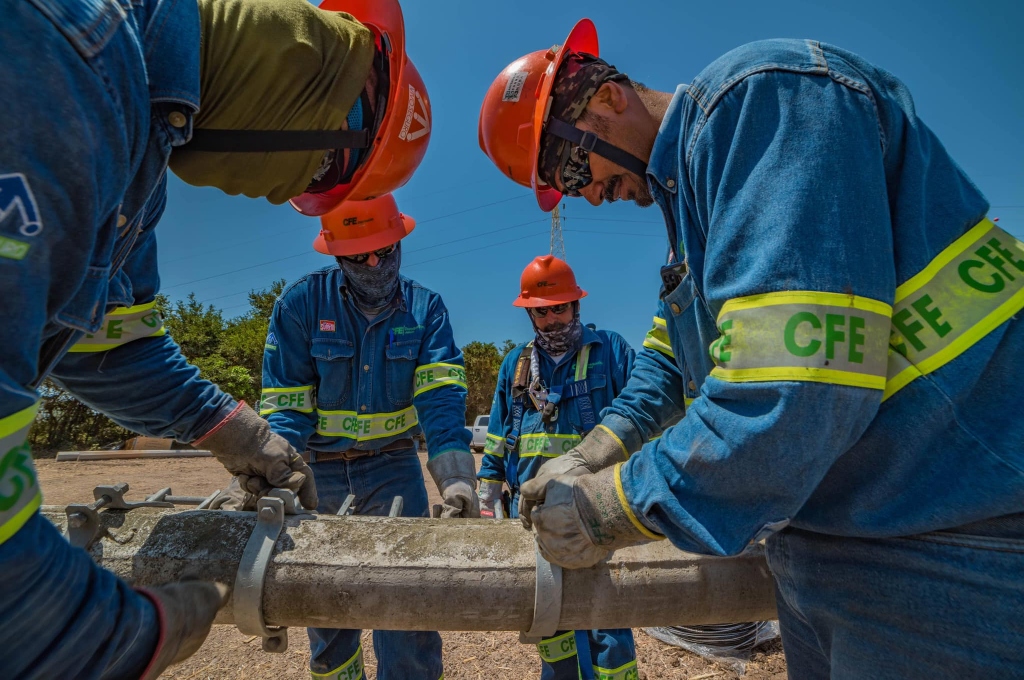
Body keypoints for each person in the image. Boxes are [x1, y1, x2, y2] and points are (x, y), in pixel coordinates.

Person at [478, 19, 1024, 677]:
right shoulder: (697, 203)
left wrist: (607, 508)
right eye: (568, 188)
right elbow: (669, 359)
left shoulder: (760, 105)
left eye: (571, 167)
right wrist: (593, 452)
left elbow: (788, 391)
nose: (588, 194)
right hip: (835, 539)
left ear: (607, 98)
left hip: (947, 536)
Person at [0, 0, 430, 675]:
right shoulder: (69, 55)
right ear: (307, 86)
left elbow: (107, 344)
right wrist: (60, 624)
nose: (277, 195)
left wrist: (230, 428)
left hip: (392, 466)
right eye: (318, 173)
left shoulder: (135, 152)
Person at [260, 194, 479, 680]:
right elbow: (287, 406)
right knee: (325, 603)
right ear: (337, 256)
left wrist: (457, 478)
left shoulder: (426, 309)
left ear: (400, 240)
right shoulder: (300, 304)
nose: (376, 264)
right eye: (360, 256)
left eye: (386, 250)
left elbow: (441, 401)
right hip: (319, 471)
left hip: (393, 467)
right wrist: (277, 472)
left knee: (407, 602)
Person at [478, 255, 638, 680]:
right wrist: (487, 493)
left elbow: (642, 420)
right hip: (533, 517)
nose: (551, 319)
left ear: (576, 307)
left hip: (598, 510)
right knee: (550, 620)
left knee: (608, 621)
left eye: (560, 308)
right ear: (529, 313)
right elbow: (497, 437)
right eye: (541, 311)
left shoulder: (611, 352)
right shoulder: (516, 365)